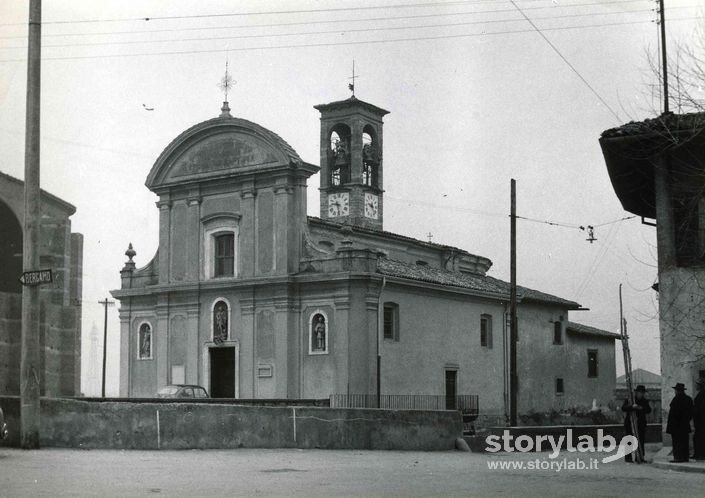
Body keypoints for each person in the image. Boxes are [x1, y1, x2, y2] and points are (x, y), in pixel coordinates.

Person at [622, 384, 651, 462]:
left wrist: (640, 408)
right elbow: (623, 408)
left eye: (642, 393)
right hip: (630, 424)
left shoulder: (644, 401)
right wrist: (632, 407)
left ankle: (640, 457)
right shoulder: (630, 400)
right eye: (639, 392)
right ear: (636, 392)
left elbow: (648, 410)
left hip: (640, 424)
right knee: (629, 440)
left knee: (640, 441)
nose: (641, 394)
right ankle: (628, 458)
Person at [666, 382, 694, 462]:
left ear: (678, 391)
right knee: (684, 441)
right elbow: (691, 413)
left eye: (676, 390)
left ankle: (678, 457)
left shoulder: (676, 399)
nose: (675, 392)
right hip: (684, 425)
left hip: (676, 426)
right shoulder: (688, 399)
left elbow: (674, 414)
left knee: (677, 442)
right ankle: (685, 457)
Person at [693, 379, 705, 460]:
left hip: (701, 421)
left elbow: (700, 409)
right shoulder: (701, 394)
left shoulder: (702, 395)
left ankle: (699, 454)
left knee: (699, 438)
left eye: (697, 384)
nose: (696, 386)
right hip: (700, 420)